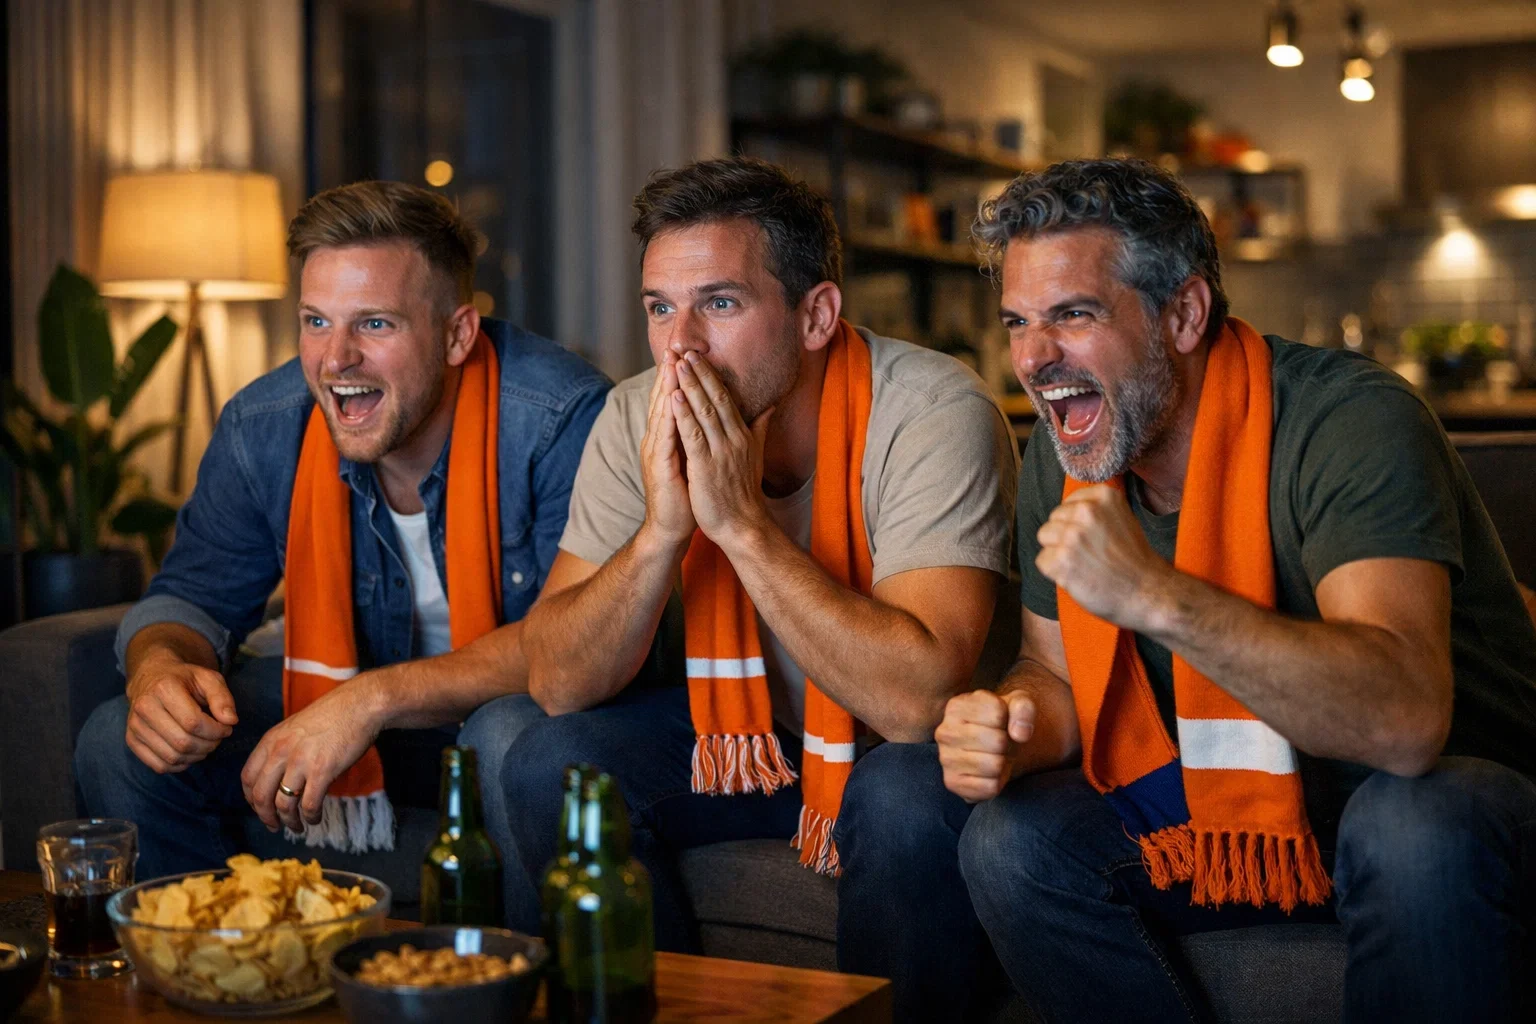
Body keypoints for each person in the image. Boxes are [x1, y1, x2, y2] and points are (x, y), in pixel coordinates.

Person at [918, 158, 1536, 1023]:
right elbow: (1050, 672)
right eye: (1018, 321)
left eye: (1074, 315)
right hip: (1215, 810)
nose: (1032, 357)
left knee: (1412, 824)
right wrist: (1010, 725)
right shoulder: (1068, 453)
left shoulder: (1349, 420)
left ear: (1184, 314)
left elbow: (1404, 723)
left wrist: (1157, 596)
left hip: (1450, 802)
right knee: (1010, 838)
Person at [502, 156, 1017, 1019]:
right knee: (548, 757)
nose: (681, 345)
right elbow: (556, 680)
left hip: (901, 748)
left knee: (901, 795)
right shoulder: (636, 413)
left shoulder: (931, 410)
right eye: (659, 308)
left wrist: (740, 525)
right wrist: (663, 533)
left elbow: (916, 704)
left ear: (816, 315)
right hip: (747, 735)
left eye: (720, 303)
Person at [76, 181, 610, 923]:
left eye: (376, 324)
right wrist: (158, 667)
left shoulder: (559, 419)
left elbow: (576, 645)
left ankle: (508, 977)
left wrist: (368, 700)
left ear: (457, 335)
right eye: (316, 322)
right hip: (350, 711)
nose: (336, 359)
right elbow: (190, 600)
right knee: (116, 740)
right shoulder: (265, 424)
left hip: (504, 720)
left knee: (507, 736)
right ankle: (221, 965)